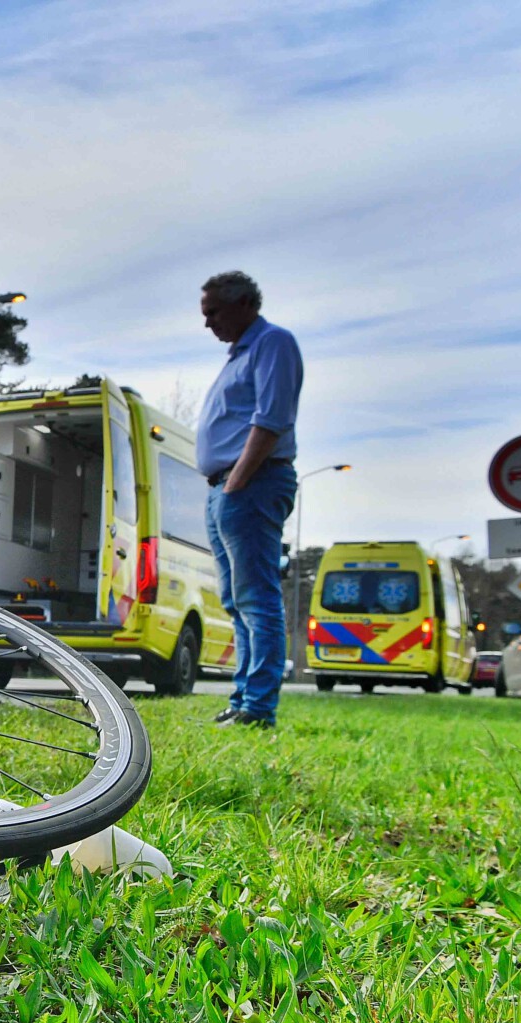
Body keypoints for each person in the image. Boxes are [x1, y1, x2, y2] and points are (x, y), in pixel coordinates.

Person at [196, 271, 303, 729]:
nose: (208, 324)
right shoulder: (237, 355)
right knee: (237, 601)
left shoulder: (272, 343)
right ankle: (242, 701)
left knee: (257, 598)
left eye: (213, 313)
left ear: (244, 304)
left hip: (252, 483)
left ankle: (258, 708)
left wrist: (238, 480)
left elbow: (271, 418)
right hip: (226, 487)